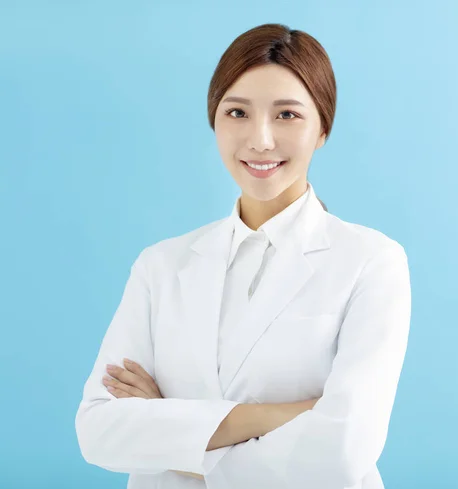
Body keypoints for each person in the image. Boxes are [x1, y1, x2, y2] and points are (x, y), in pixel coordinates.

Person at [75, 23, 411, 489]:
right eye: (237, 112)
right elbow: (98, 432)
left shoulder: (371, 261)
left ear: (323, 129)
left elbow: (342, 450)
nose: (261, 140)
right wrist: (286, 416)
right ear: (214, 121)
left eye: (287, 115)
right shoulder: (161, 265)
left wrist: (169, 434)